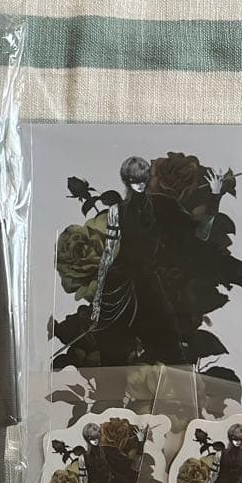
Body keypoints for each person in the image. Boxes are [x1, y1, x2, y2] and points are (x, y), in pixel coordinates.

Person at [90, 156, 213, 365]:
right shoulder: (116, 211)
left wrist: (215, 197)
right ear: (126, 181)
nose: (139, 184)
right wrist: (97, 299)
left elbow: (201, 234)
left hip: (147, 282)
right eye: (134, 180)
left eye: (142, 179)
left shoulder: (162, 205)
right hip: (119, 285)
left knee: (170, 346)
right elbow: (108, 256)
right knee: (113, 352)